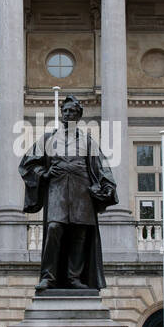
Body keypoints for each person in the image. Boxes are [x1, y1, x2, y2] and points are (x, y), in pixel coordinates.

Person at [20, 96, 117, 290]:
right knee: (54, 228)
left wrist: (107, 187)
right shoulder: (48, 139)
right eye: (64, 111)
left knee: (79, 234)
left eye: (72, 111)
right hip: (57, 189)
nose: (67, 114)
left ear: (79, 115)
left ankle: (75, 277)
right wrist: (44, 173)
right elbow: (27, 164)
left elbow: (101, 167)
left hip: (82, 191)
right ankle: (48, 277)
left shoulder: (88, 142)